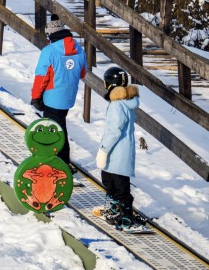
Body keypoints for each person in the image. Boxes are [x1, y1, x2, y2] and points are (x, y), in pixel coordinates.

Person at [31, 19, 87, 167]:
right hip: (68, 97)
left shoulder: (49, 51)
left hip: (52, 98)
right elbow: (82, 73)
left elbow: (41, 78)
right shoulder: (79, 49)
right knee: (59, 126)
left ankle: (61, 163)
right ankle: (58, 160)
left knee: (55, 131)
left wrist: (36, 97)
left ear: (51, 35)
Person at [96, 66, 147, 231]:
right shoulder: (125, 102)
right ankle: (118, 206)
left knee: (119, 184)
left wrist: (103, 149)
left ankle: (125, 213)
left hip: (117, 151)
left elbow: (114, 130)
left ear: (110, 84)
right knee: (109, 179)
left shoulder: (118, 104)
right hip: (120, 151)